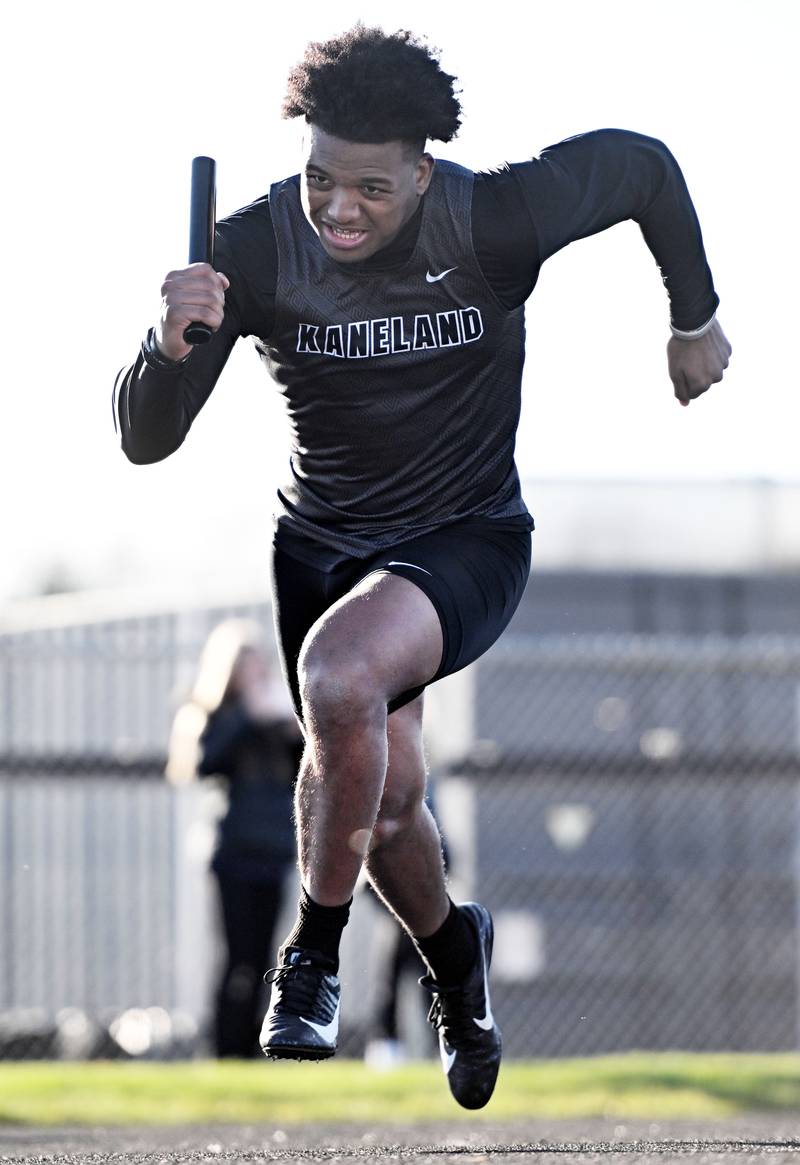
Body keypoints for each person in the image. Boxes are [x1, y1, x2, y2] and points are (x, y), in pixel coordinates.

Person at [113, 24, 731, 1108]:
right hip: (321, 549)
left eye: (370, 188)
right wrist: (166, 346)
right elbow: (146, 438)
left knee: (341, 677)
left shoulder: (490, 218)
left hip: (464, 539)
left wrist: (694, 318)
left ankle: (309, 956)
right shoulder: (252, 248)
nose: (339, 209)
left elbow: (639, 165)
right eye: (318, 182)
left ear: (422, 171)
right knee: (388, 800)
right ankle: (456, 961)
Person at [166, 619, 302, 1058]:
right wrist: (248, 716)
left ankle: (252, 1050)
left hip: (276, 851)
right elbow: (202, 764)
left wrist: (287, 727)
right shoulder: (218, 715)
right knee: (235, 957)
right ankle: (225, 1049)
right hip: (234, 855)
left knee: (265, 957)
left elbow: (305, 769)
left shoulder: (279, 717)